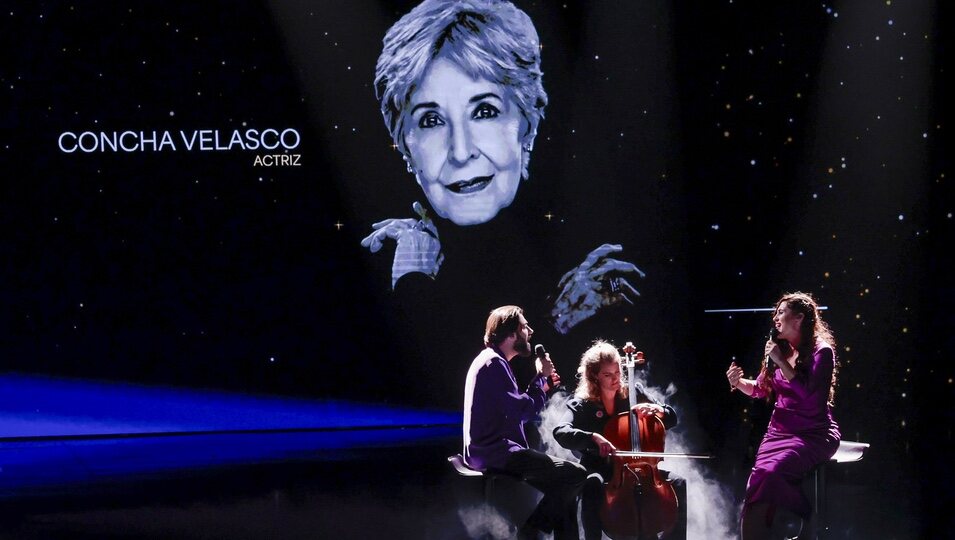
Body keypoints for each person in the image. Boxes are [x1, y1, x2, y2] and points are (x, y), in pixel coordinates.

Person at [361, 0, 642, 335]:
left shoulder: (593, 274)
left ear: (527, 124)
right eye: (431, 120)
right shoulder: (385, 257)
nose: (461, 152)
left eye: (484, 112)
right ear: (406, 144)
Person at [463, 305, 588, 539]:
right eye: (524, 326)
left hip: (495, 449)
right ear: (510, 334)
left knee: (565, 490)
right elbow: (524, 411)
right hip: (496, 452)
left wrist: (541, 384)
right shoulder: (493, 364)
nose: (530, 331)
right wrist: (540, 378)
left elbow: (518, 406)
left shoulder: (494, 362)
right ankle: (529, 533)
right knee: (577, 475)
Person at [725, 292, 841, 540]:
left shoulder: (823, 352)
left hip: (812, 432)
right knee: (756, 482)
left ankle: (806, 519)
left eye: (781, 312)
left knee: (773, 473)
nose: (775, 317)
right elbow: (760, 388)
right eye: (776, 312)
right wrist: (738, 382)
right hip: (778, 432)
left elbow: (808, 395)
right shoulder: (781, 349)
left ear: (799, 318)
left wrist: (780, 360)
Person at [553, 340, 687, 540]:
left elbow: (672, 417)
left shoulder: (634, 393)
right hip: (602, 470)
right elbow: (560, 431)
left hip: (641, 469)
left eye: (617, 372)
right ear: (594, 376)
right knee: (592, 483)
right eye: (608, 375)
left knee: (678, 482)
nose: (615, 379)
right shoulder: (582, 404)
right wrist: (592, 438)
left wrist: (658, 410)